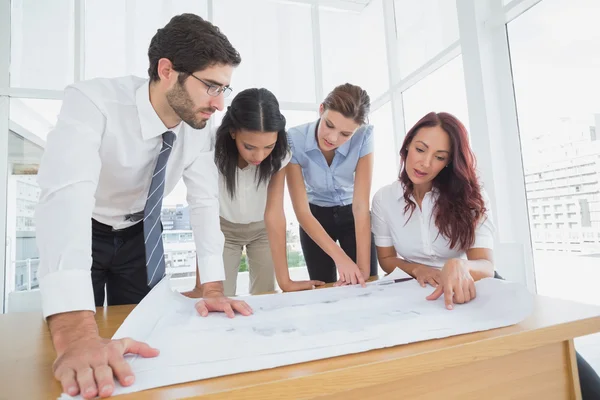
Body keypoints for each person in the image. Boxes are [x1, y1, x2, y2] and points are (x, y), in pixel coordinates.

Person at [35, 14, 252, 400]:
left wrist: (213, 286)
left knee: (142, 337)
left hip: (141, 235)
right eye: (211, 87)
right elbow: (67, 197)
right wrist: (74, 331)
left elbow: (203, 203)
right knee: (77, 341)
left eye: (225, 89)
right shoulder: (93, 102)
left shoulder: (198, 128)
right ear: (167, 70)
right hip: (85, 229)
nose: (219, 104)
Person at [371, 111, 600, 399]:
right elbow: (387, 260)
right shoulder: (383, 199)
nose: (425, 163)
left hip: (475, 283)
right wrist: (418, 270)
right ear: (406, 147)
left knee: (554, 355)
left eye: (440, 156)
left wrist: (458, 266)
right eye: (420, 149)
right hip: (417, 289)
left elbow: (485, 265)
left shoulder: (469, 196)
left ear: (449, 162)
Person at [213, 88, 311, 295]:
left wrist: (287, 282)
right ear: (233, 132)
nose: (259, 156)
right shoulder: (211, 149)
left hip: (262, 230)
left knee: (266, 295)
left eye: (268, 147)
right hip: (222, 231)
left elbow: (275, 212)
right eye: (249, 146)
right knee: (221, 296)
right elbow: (199, 204)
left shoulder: (281, 154)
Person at [284, 83, 378, 290]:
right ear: (321, 109)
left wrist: (362, 272)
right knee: (323, 288)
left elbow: (361, 205)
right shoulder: (294, 138)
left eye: (346, 134)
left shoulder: (364, 136)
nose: (333, 138)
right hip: (314, 217)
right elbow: (302, 211)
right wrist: (341, 259)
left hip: (353, 216)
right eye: (329, 125)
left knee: (365, 284)